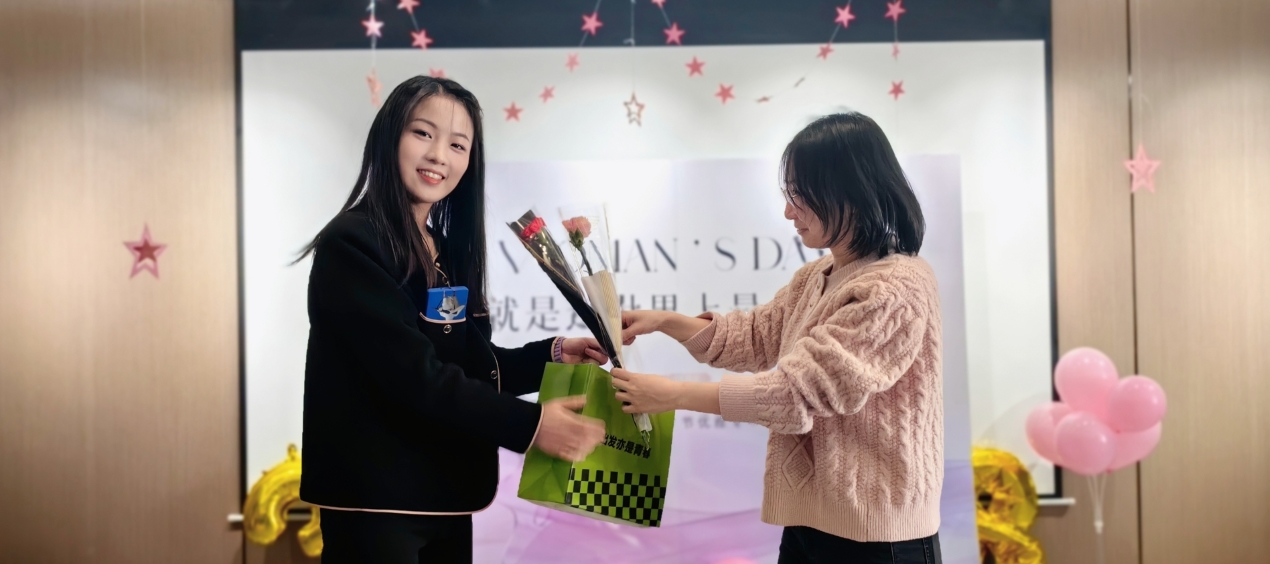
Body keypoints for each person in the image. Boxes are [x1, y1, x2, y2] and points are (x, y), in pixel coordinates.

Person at [297, 76, 607, 563]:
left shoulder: (443, 249)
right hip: (376, 502)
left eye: (458, 145)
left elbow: (466, 366)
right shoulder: (352, 244)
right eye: (423, 133)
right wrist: (530, 426)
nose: (439, 155)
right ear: (389, 136)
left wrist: (553, 355)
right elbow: (415, 375)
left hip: (444, 496)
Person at [613, 113, 944, 563]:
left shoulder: (895, 287)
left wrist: (673, 395)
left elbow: (796, 394)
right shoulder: (817, 275)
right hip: (810, 525)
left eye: (800, 196)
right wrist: (666, 322)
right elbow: (753, 337)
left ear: (848, 190)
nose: (789, 212)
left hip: (879, 537)